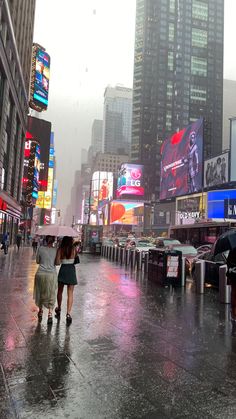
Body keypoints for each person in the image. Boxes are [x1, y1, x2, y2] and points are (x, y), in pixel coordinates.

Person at [33, 235, 57, 324]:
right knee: (51, 293)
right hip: (51, 275)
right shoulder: (56, 250)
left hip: (40, 273)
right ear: (54, 240)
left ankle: (40, 311)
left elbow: (37, 261)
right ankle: (50, 314)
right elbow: (57, 262)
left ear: (46, 240)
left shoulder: (40, 248)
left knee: (40, 292)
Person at [55, 236, 78, 325]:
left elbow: (57, 263)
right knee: (70, 293)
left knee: (60, 291)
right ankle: (68, 314)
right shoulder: (74, 249)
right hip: (71, 271)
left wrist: (61, 259)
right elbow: (75, 259)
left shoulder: (60, 249)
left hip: (63, 270)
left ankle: (59, 308)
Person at [227, 248, 236, 329]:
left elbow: (228, 262)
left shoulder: (233, 249)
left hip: (233, 275)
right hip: (234, 276)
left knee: (233, 293)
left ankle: (234, 313)